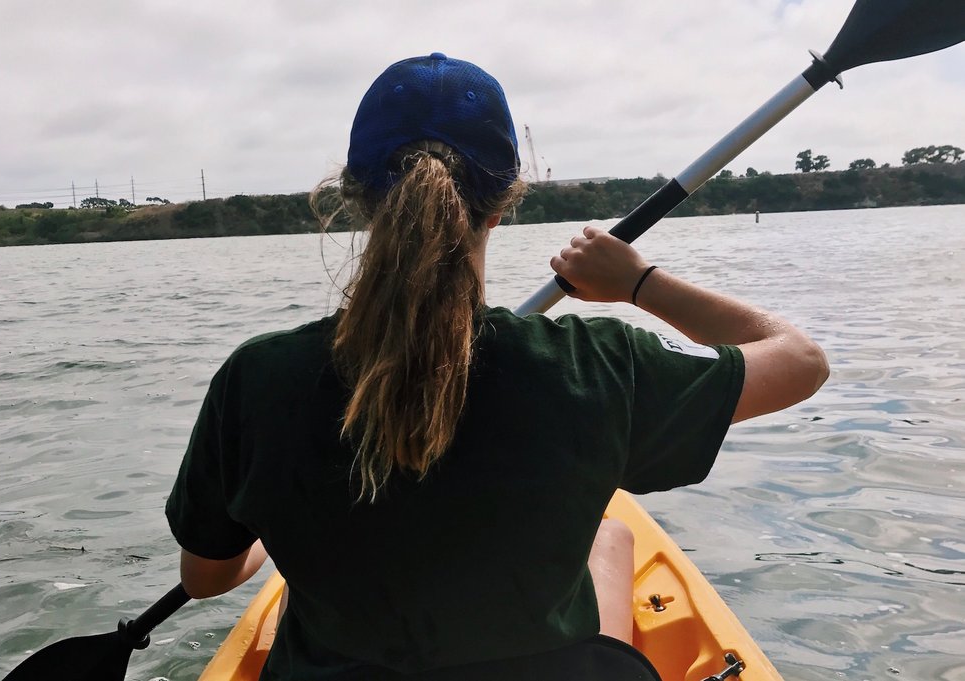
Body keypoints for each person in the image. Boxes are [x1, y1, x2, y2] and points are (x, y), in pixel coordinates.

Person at [165, 53, 829, 680]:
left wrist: (262, 542)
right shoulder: (593, 367)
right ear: (504, 202)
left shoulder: (255, 379)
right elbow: (799, 360)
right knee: (611, 537)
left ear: (355, 194)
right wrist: (637, 282)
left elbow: (205, 577)